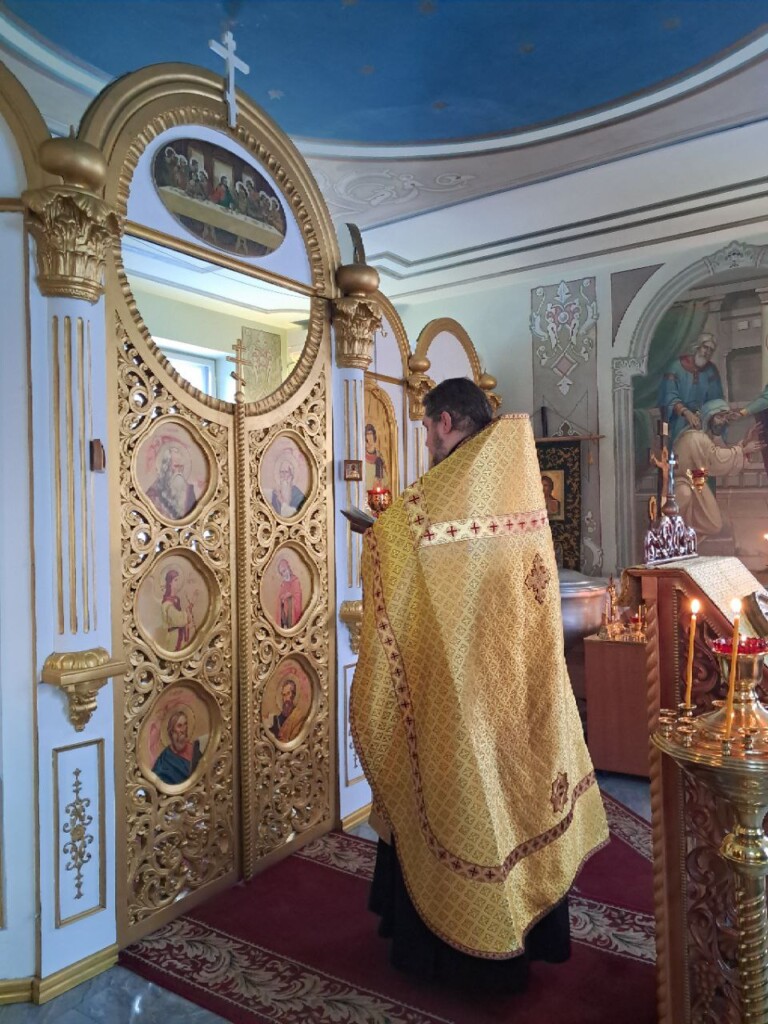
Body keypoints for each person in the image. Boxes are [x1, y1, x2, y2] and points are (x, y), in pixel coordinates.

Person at [350, 377, 607, 993]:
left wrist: (376, 536)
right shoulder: (513, 471)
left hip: (463, 685)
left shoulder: (457, 481)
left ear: (445, 422)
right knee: (514, 794)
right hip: (516, 673)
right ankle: (532, 927)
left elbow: (407, 543)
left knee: (461, 793)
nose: (427, 442)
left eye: (426, 429)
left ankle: (463, 957)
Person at [674, 398, 762, 537]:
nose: (723, 421)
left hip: (696, 481)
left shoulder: (705, 437)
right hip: (684, 483)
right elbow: (716, 460)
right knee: (711, 523)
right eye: (719, 417)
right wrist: (743, 450)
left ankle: (685, 530)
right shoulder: (696, 437)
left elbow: (720, 452)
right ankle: (678, 532)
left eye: (725, 417)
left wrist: (745, 442)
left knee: (714, 524)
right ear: (708, 417)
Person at [658, 332, 724, 445]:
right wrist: (686, 413)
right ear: (698, 346)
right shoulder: (676, 366)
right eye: (705, 347)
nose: (707, 352)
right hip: (678, 420)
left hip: (704, 420)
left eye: (711, 350)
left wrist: (710, 415)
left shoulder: (711, 370)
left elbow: (716, 398)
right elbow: (669, 396)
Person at [145, 442, 198, 520]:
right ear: (166, 467)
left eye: (181, 467)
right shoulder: (154, 492)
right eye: (176, 466)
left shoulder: (189, 491)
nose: (179, 471)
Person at [152, 709, 202, 785]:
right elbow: (156, 781)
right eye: (179, 726)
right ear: (172, 731)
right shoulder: (165, 758)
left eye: (185, 724)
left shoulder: (195, 749)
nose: (183, 729)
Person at [159, 568, 194, 651]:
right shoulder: (167, 603)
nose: (178, 582)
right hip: (174, 637)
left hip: (180, 634)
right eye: (175, 580)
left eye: (178, 580)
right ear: (170, 582)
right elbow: (178, 620)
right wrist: (187, 612)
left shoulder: (176, 599)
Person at [270, 452, 306, 518]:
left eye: (286, 472)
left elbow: (300, 514)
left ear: (291, 475)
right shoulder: (275, 493)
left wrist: (283, 503)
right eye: (281, 472)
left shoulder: (298, 494)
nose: (283, 475)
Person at [269, 678, 305, 743]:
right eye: (284, 695)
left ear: (293, 695)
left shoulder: (299, 716)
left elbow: (295, 740)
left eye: (288, 694)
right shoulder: (278, 718)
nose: (286, 699)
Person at [277, 557, 303, 628]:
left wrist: (290, 595)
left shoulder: (295, 581)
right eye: (282, 573)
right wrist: (282, 598)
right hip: (285, 613)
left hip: (293, 612)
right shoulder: (283, 584)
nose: (284, 574)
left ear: (288, 568)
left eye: (284, 571)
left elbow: (297, 595)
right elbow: (280, 597)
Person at [364, 423, 388, 491]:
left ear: (374, 436)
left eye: (370, 434)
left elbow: (385, 479)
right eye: (367, 434)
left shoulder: (379, 457)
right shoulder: (362, 456)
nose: (369, 437)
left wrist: (379, 482)